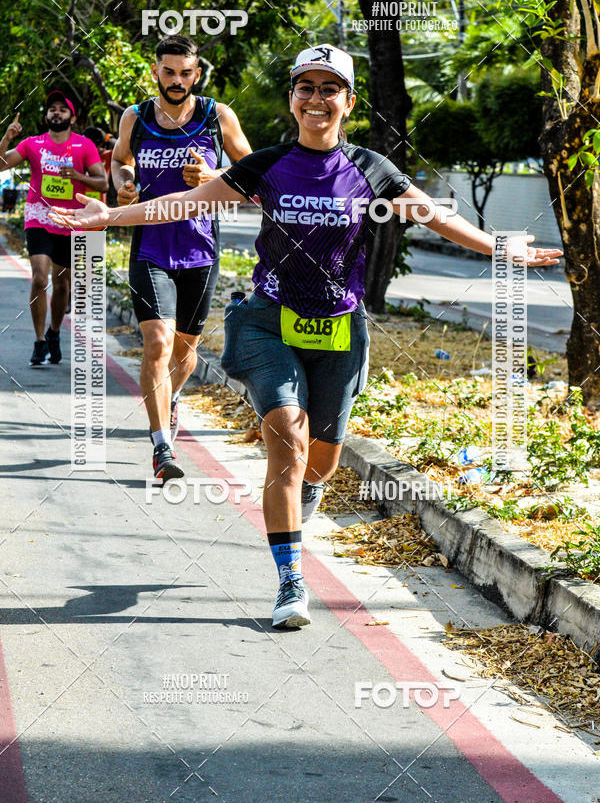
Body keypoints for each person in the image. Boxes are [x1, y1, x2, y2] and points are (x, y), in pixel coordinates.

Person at [49, 43, 563, 629]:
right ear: (292, 98)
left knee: (321, 461)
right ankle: (291, 581)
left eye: (329, 89)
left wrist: (499, 247)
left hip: (340, 327)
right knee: (288, 444)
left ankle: (306, 496)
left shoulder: (370, 169)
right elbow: (183, 204)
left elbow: (435, 216)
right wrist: (108, 217)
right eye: (306, 88)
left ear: (349, 101)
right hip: (269, 322)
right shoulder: (265, 166)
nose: (316, 99)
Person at [110, 35, 252, 482]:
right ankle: (162, 446)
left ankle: (170, 397)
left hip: (200, 250)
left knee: (185, 351)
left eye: (185, 73)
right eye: (168, 72)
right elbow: (120, 159)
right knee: (157, 342)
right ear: (155, 71)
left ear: (197, 73)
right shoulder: (135, 117)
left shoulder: (217, 116)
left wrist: (213, 174)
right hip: (150, 247)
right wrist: (125, 183)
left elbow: (252, 170)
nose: (176, 80)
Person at [0, 91, 108, 366]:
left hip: (70, 221)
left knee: (61, 284)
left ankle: (54, 332)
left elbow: (103, 183)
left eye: (62, 109)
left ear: (71, 117)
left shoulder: (84, 145)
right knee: (39, 278)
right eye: (52, 109)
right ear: (46, 115)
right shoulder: (32, 144)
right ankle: (39, 342)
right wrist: (6, 139)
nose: (56, 113)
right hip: (38, 218)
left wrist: (78, 176)